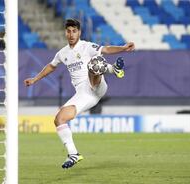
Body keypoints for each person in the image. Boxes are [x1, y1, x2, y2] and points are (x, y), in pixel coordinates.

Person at [24, 19, 135, 169]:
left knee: (94, 63)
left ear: (79, 32)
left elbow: (106, 50)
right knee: (59, 119)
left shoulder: (86, 46)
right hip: (84, 95)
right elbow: (51, 66)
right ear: (65, 32)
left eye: (74, 31)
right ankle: (73, 154)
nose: (71, 34)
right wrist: (35, 79)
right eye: (68, 31)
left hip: (97, 86)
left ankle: (112, 69)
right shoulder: (62, 53)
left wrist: (123, 48)